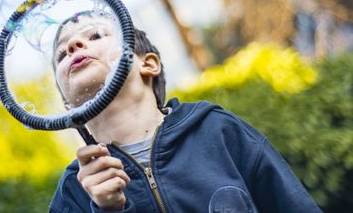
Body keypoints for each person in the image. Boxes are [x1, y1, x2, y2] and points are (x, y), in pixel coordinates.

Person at [48, 11, 321, 213]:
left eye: (95, 35)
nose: (73, 47)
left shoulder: (217, 130)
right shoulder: (73, 192)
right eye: (62, 54)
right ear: (69, 107)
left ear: (149, 64)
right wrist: (108, 210)